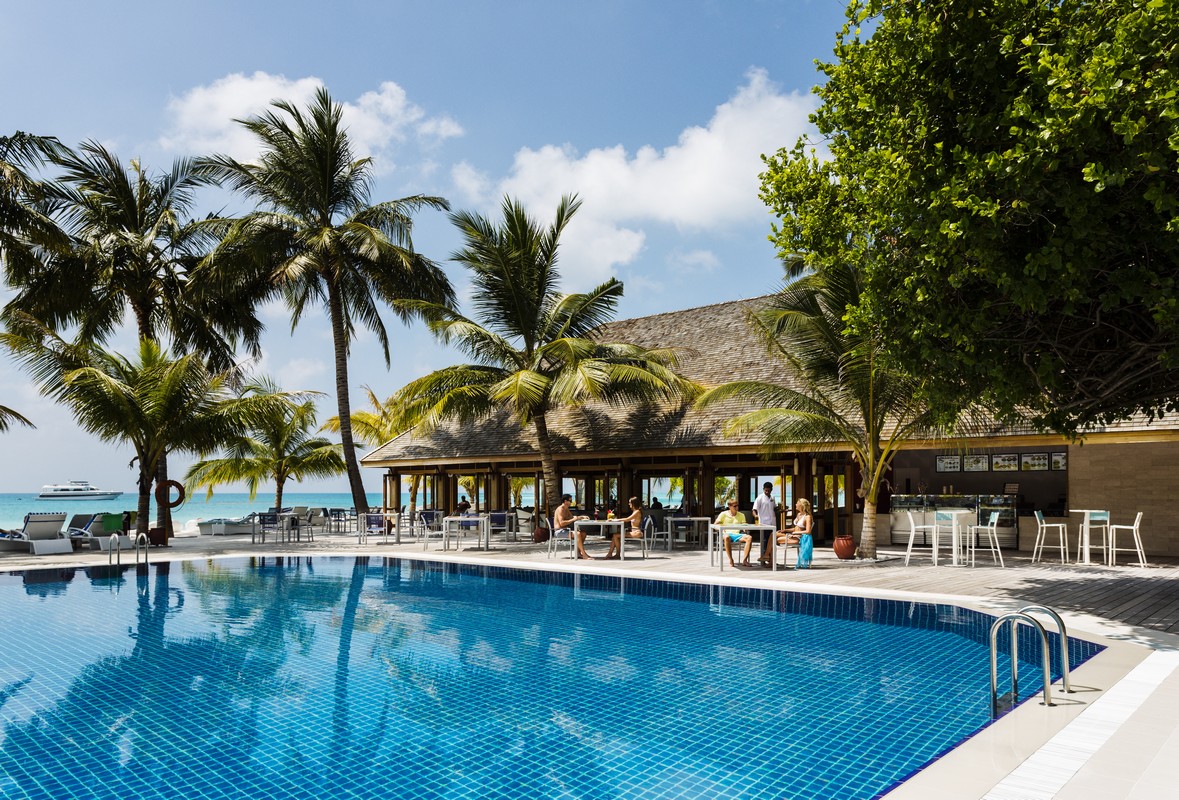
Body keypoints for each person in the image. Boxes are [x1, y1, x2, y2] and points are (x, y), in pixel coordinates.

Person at [765, 498, 815, 569]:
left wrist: (795, 533)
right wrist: (785, 530)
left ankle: (770, 560)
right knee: (774, 534)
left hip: (799, 538)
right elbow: (795, 528)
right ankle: (768, 557)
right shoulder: (799, 514)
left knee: (775, 540)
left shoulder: (807, 517)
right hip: (793, 535)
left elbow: (808, 531)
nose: (795, 504)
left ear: (801, 505)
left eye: (797, 503)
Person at [716, 500, 752, 567]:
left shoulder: (741, 515)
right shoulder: (723, 514)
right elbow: (715, 524)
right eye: (735, 506)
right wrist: (720, 525)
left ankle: (744, 560)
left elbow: (744, 525)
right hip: (726, 534)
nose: (737, 507)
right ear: (729, 506)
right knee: (726, 537)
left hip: (737, 534)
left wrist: (745, 527)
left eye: (737, 505)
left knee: (749, 538)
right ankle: (731, 560)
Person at [555, 493, 592, 559]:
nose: (571, 502)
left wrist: (581, 517)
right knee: (577, 534)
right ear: (565, 501)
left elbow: (572, 517)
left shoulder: (566, 509)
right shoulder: (561, 509)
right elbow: (561, 523)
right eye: (570, 501)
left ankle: (578, 553)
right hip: (559, 531)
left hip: (566, 530)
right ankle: (584, 555)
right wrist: (573, 519)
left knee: (583, 533)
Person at [752, 482, 778, 566]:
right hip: (764, 523)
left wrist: (781, 510)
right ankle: (765, 559)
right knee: (765, 541)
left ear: (771, 490)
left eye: (768, 490)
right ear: (763, 489)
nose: (767, 492)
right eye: (766, 490)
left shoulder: (772, 497)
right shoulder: (759, 498)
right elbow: (754, 509)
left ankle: (771, 560)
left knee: (772, 542)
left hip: (772, 523)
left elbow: (774, 508)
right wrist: (756, 516)